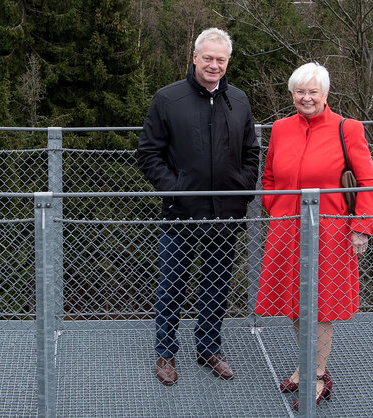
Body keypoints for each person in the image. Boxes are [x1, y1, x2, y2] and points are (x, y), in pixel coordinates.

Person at [137, 27, 260, 386]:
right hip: (181, 212)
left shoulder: (238, 100)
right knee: (171, 284)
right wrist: (174, 189)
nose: (214, 65)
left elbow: (251, 152)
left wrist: (242, 190)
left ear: (228, 62)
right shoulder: (168, 99)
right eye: (208, 57)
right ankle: (166, 353)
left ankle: (208, 347)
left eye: (221, 59)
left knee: (216, 284)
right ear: (194, 57)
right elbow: (148, 153)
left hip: (226, 212)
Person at [254, 62, 373, 409]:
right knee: (295, 301)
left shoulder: (347, 128)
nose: (306, 98)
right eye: (300, 91)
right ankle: (307, 365)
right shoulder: (280, 128)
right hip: (287, 228)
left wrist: (361, 227)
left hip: (331, 232)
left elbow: (366, 181)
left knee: (321, 306)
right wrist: (276, 209)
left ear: (325, 94)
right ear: (292, 93)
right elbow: (269, 176)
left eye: (313, 91)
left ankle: (317, 375)